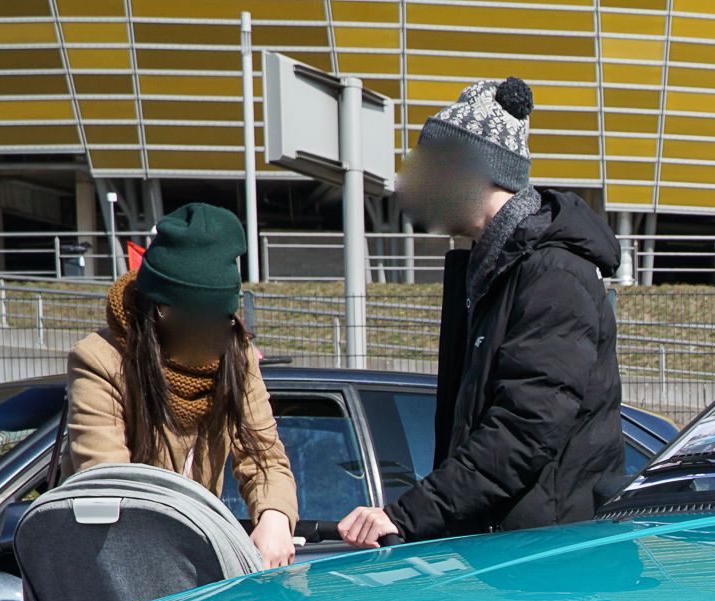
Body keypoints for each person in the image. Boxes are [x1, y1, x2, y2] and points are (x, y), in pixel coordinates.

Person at [338, 78, 622, 547]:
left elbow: (523, 431)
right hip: (513, 557)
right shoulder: (495, 271)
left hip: (547, 572)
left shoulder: (552, 274)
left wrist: (408, 517)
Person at [65, 203, 299, 569]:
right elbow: (108, 484)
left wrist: (275, 518)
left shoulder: (236, 355)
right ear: (158, 310)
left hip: (194, 564)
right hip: (116, 564)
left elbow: (263, 455)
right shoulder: (101, 360)